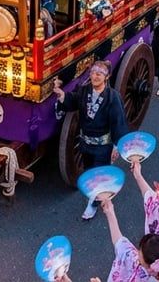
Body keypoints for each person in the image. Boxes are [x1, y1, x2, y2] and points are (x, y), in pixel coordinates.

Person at [53, 60, 128, 221]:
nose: (95, 76)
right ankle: (97, 197)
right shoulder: (85, 90)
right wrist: (62, 95)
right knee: (88, 170)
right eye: (93, 73)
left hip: (103, 145)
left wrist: (117, 145)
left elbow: (118, 122)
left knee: (98, 175)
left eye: (100, 74)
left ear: (106, 77)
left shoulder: (113, 98)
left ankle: (92, 204)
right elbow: (73, 101)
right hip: (86, 143)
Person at [98, 195, 159, 282]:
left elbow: (120, 244)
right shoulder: (132, 257)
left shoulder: (133, 259)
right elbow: (119, 241)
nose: (136, 253)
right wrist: (110, 213)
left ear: (150, 267)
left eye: (140, 254)